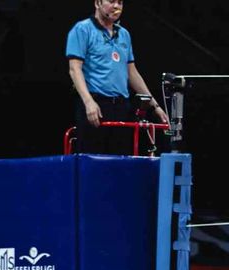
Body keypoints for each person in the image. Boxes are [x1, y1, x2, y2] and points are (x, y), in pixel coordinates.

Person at [66, 0, 169, 155]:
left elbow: (132, 73)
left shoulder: (124, 34)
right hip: (96, 105)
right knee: (93, 160)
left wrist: (155, 106)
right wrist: (89, 102)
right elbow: (75, 69)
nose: (116, 7)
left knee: (120, 159)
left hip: (122, 107)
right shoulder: (82, 29)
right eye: (111, 1)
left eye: (120, 3)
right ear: (97, 3)